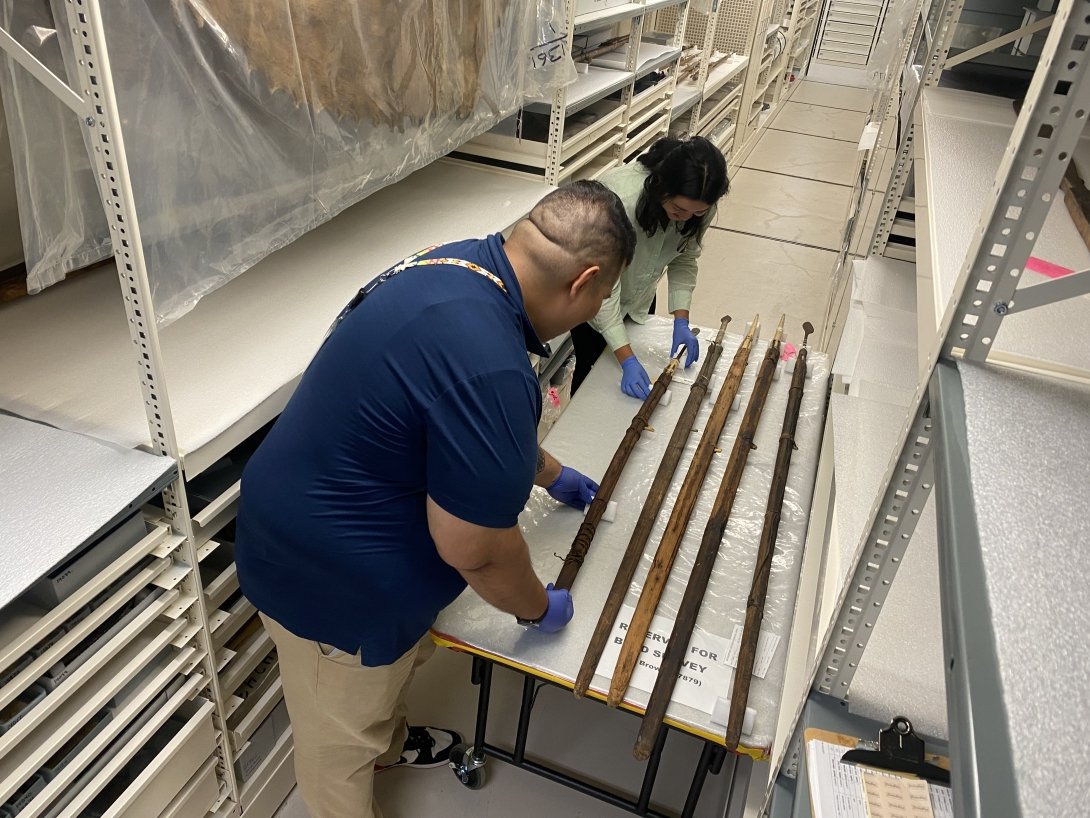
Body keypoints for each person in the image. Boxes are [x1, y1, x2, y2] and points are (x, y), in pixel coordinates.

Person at [233, 180, 636, 818]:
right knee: (337, 744)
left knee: (380, 690)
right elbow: (475, 550)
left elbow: (454, 424)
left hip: (319, 519)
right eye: (603, 299)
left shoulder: (455, 263)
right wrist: (535, 609)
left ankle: (387, 741)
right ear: (584, 282)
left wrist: (548, 473)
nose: (595, 311)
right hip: (328, 584)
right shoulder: (490, 359)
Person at [570, 136, 729, 398]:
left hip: (638, 295)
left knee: (624, 391)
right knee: (591, 379)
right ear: (662, 187)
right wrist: (627, 359)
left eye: (697, 213)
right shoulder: (618, 199)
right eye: (679, 209)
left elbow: (684, 258)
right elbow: (598, 287)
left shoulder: (699, 203)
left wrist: (681, 320)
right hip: (594, 299)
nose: (687, 217)